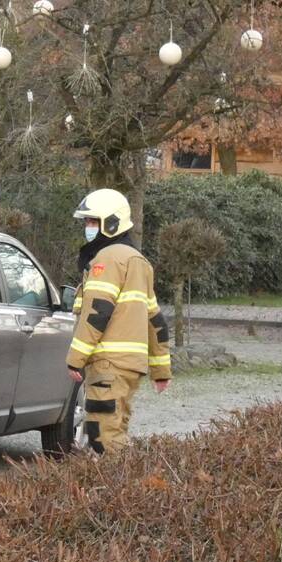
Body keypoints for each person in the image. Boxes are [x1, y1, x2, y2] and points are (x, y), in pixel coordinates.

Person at [67, 188, 172, 455]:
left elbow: (97, 312)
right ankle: (127, 489)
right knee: (117, 429)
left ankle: (122, 490)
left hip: (108, 364)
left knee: (103, 436)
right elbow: (156, 320)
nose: (88, 228)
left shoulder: (107, 259)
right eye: (86, 222)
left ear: (111, 223)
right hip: (129, 368)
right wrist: (160, 370)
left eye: (93, 222)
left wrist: (75, 357)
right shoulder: (139, 261)